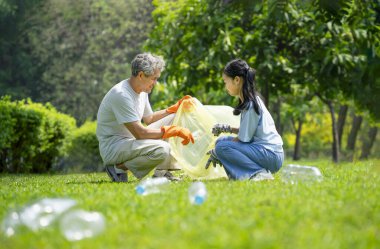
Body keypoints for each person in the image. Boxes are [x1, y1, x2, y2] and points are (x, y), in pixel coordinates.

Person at [96, 52, 194, 182]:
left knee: (176, 116)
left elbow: (150, 119)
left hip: (130, 141)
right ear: (141, 75)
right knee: (162, 149)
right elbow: (140, 133)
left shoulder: (142, 91)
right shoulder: (121, 94)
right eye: (154, 78)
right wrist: (173, 131)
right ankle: (118, 167)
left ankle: (162, 173)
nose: (155, 83)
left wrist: (174, 108)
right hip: (114, 147)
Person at [205, 59, 284, 181]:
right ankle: (241, 174)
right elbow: (249, 132)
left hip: (271, 155)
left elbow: (243, 139)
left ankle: (257, 174)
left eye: (226, 82)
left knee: (222, 146)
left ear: (237, 80)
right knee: (221, 141)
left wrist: (218, 152)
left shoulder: (251, 105)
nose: (225, 86)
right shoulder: (250, 101)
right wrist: (227, 129)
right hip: (267, 152)